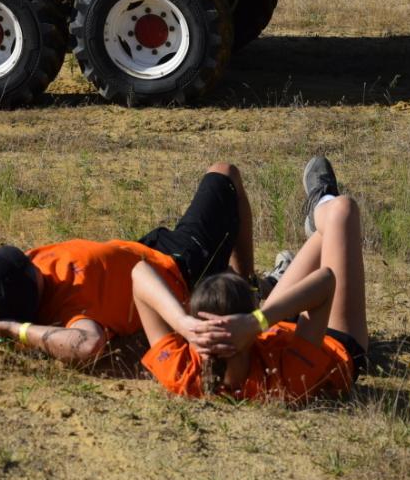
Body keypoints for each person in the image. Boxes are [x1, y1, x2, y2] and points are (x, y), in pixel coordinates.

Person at [0, 162, 255, 366]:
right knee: (224, 173)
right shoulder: (73, 308)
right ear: (32, 294)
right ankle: (247, 282)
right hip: (178, 265)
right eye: (30, 267)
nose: (34, 259)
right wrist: (12, 330)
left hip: (141, 248)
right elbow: (86, 345)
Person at [134, 156, 368, 402]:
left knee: (335, 226)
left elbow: (140, 273)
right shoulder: (286, 380)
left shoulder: (185, 374)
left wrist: (182, 324)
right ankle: (322, 202)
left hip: (276, 324)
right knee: (342, 211)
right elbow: (326, 282)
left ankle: (317, 224)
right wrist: (258, 321)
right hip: (328, 338)